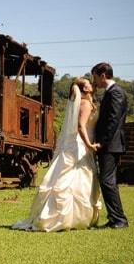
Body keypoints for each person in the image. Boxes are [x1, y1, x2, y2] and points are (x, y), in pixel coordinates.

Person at [13, 77, 102, 232]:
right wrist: (89, 145)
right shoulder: (86, 104)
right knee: (77, 181)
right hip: (81, 146)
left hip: (74, 145)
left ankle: (67, 217)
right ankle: (74, 218)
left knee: (66, 181)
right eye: (88, 83)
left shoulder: (81, 103)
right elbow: (81, 126)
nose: (91, 84)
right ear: (85, 89)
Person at [91, 62, 129, 229]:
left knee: (107, 181)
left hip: (111, 145)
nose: (94, 82)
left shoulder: (116, 93)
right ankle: (115, 218)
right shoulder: (111, 93)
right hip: (111, 144)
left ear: (103, 75)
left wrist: (102, 142)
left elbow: (113, 121)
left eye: (95, 77)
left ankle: (119, 219)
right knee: (108, 181)